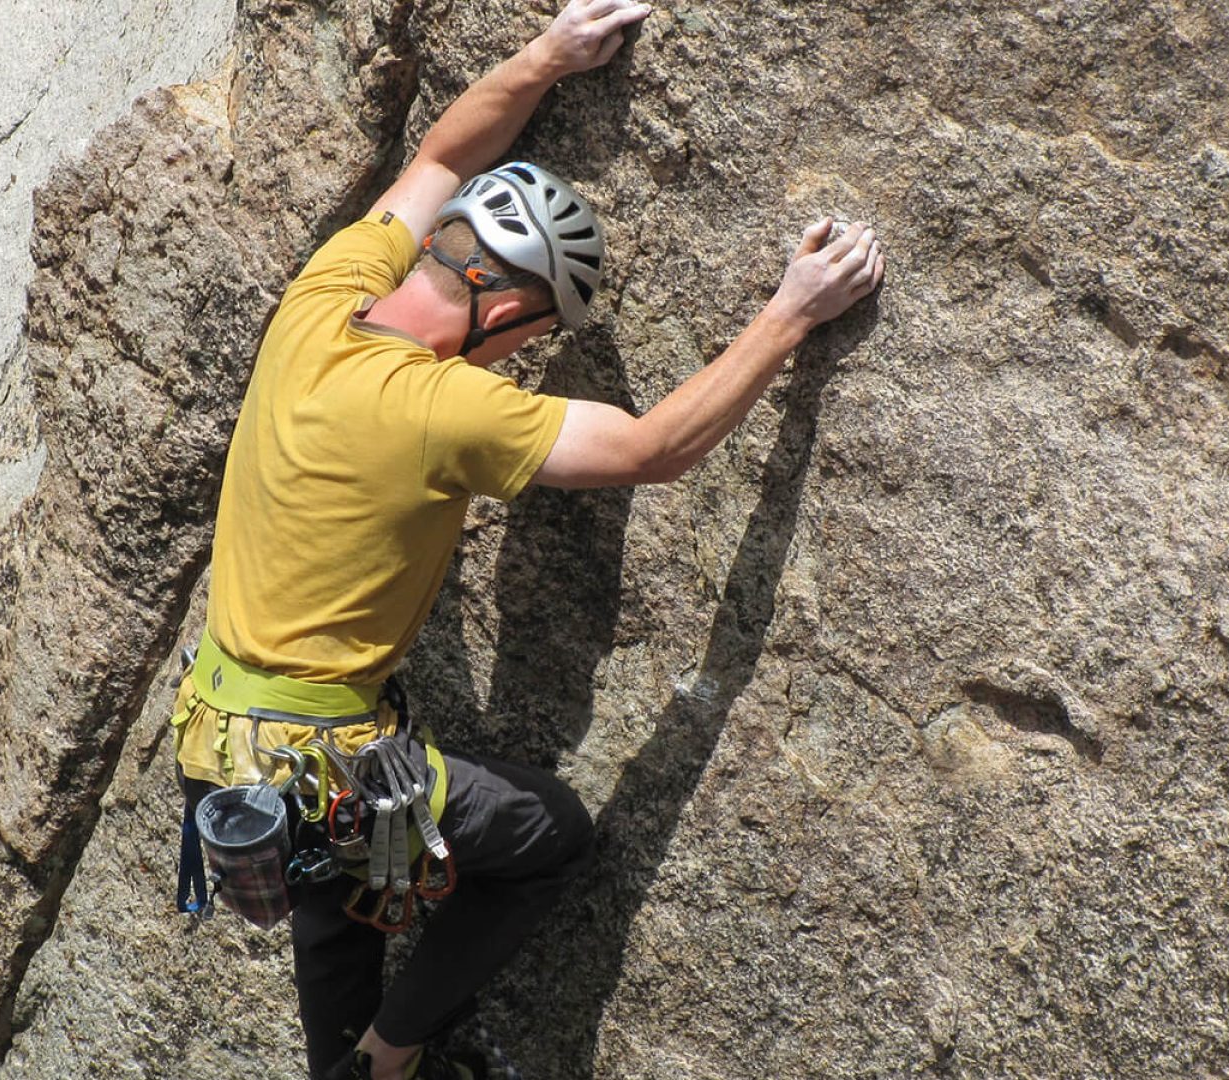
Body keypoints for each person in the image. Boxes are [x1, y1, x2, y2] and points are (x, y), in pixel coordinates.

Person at [169, 2, 886, 1078]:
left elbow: (442, 154)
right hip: (320, 771)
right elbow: (651, 449)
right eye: (535, 338)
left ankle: (364, 1065)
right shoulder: (441, 408)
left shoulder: (323, 295)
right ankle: (397, 1056)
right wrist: (789, 313)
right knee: (547, 834)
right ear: (502, 314)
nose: (518, 361)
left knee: (344, 945)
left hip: (216, 752)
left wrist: (550, 54)